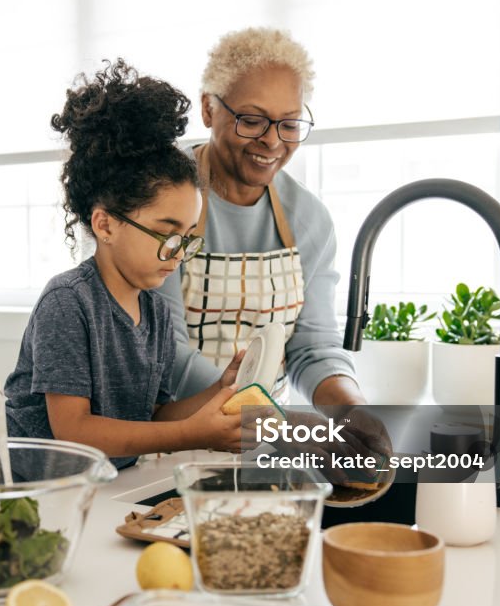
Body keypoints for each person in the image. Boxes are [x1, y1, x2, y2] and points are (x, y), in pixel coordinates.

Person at [0, 59, 249, 473]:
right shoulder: (68, 302)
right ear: (105, 224)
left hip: (89, 486)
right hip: (13, 485)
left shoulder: (157, 314)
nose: (178, 253)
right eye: (166, 234)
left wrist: (221, 389)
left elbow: (154, 417)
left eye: (187, 237)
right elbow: (76, 432)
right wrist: (194, 435)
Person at [156, 27, 365, 410]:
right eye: (252, 120)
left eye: (289, 124)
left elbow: (313, 349)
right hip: (169, 433)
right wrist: (265, 415)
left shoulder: (309, 219)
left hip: (260, 439)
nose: (272, 142)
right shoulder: (160, 199)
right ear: (208, 108)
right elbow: (163, 351)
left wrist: (353, 411)